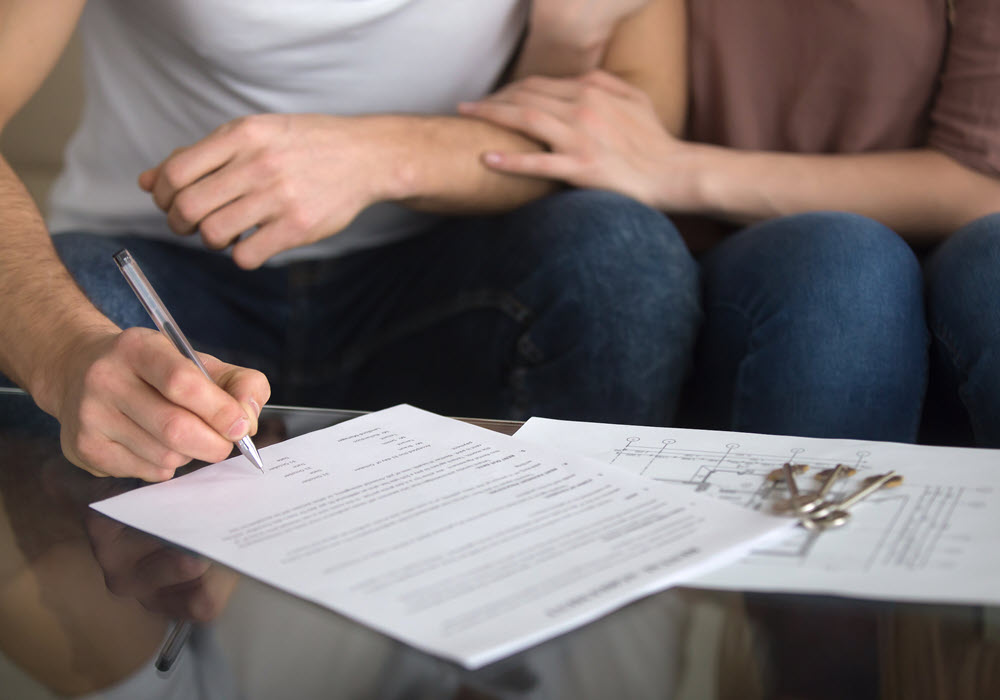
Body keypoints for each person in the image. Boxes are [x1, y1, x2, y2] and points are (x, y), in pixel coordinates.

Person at [0, 0, 701, 483]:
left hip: (447, 281)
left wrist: (384, 156)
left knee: (622, 260)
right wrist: (61, 353)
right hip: (161, 280)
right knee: (53, 331)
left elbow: (637, 125)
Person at [459, 0, 1000, 445]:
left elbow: (979, 183)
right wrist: (565, 37)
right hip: (721, 264)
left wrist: (676, 169)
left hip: (941, 257)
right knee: (842, 265)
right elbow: (596, 132)